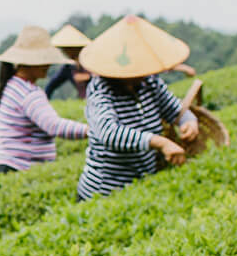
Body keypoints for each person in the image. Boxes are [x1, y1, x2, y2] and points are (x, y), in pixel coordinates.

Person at [75, 15, 199, 200]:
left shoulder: (150, 82)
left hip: (141, 183)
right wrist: (160, 142)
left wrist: (189, 121)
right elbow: (109, 133)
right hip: (104, 193)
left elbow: (173, 108)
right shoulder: (100, 91)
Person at [0, 25, 88, 174]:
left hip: (7, 167)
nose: (48, 65)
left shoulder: (10, 85)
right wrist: (92, 131)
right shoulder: (29, 93)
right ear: (29, 62)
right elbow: (54, 126)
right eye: (44, 60)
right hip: (21, 170)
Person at [44, 24, 93, 99]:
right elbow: (51, 86)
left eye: (67, 48)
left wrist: (88, 77)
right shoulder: (68, 68)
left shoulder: (91, 63)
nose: (65, 51)